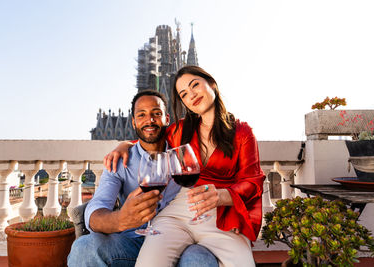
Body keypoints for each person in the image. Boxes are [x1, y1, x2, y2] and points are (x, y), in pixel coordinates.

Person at [104, 66, 265, 267]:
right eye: (184, 94)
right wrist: (125, 145)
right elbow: (149, 136)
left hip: (220, 216)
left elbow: (253, 181)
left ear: (211, 84)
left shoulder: (242, 132)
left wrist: (222, 196)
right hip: (178, 213)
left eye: (195, 85)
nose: (192, 95)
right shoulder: (179, 130)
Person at [68, 90, 219, 267]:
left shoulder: (182, 158)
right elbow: (96, 209)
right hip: (131, 245)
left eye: (156, 113)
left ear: (167, 119)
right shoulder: (120, 161)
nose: (150, 120)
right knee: (84, 247)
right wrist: (120, 220)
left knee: (200, 259)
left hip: (180, 243)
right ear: (133, 122)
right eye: (142, 115)